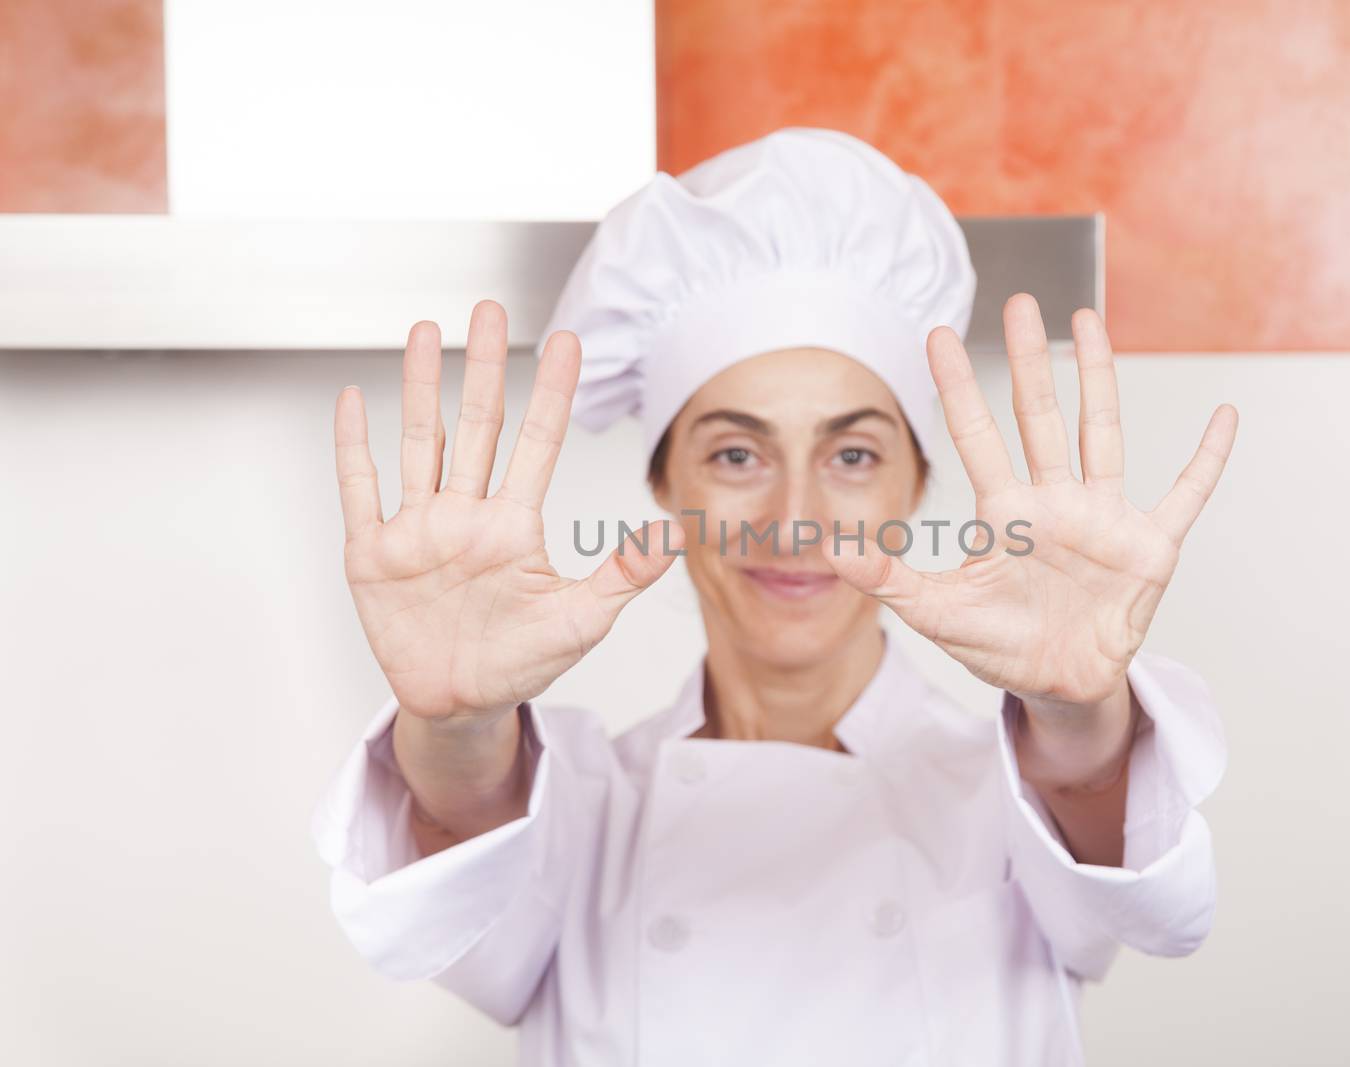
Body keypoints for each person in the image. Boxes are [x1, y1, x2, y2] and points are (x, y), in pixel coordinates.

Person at [313, 127, 1238, 1065]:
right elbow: (459, 844)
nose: (794, 516)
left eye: (852, 454)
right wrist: (459, 722)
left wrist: (1079, 707)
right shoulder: (579, 804)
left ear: (914, 485)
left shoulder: (1009, 788)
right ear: (665, 484)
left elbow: (1113, 839)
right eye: (736, 452)